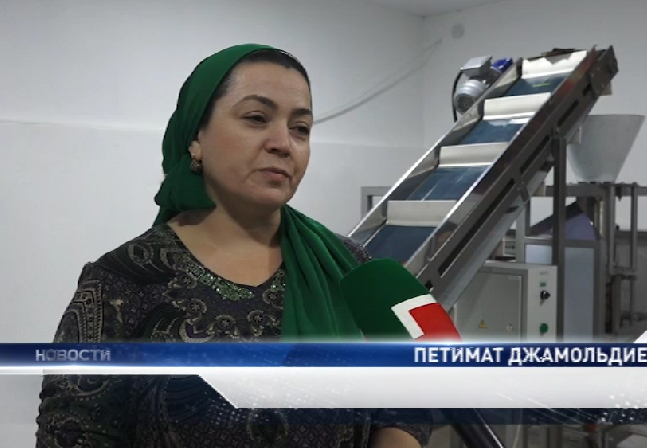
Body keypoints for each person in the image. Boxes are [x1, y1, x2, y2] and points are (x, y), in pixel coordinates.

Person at [35, 44, 432, 448]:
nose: (283, 143)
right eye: (257, 118)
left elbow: (413, 385)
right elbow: (72, 432)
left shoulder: (350, 267)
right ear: (196, 138)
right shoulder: (123, 283)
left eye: (300, 128)